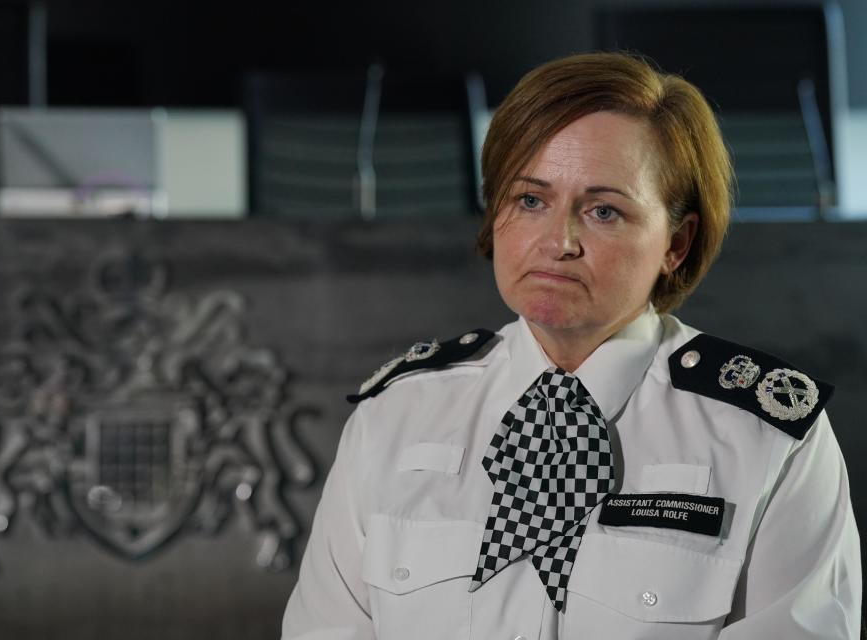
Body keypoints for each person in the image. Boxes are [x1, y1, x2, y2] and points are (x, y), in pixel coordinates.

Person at [281, 52, 861, 639]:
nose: (558, 241)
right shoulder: (395, 417)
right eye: (530, 200)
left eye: (604, 211)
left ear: (676, 245)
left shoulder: (768, 440)